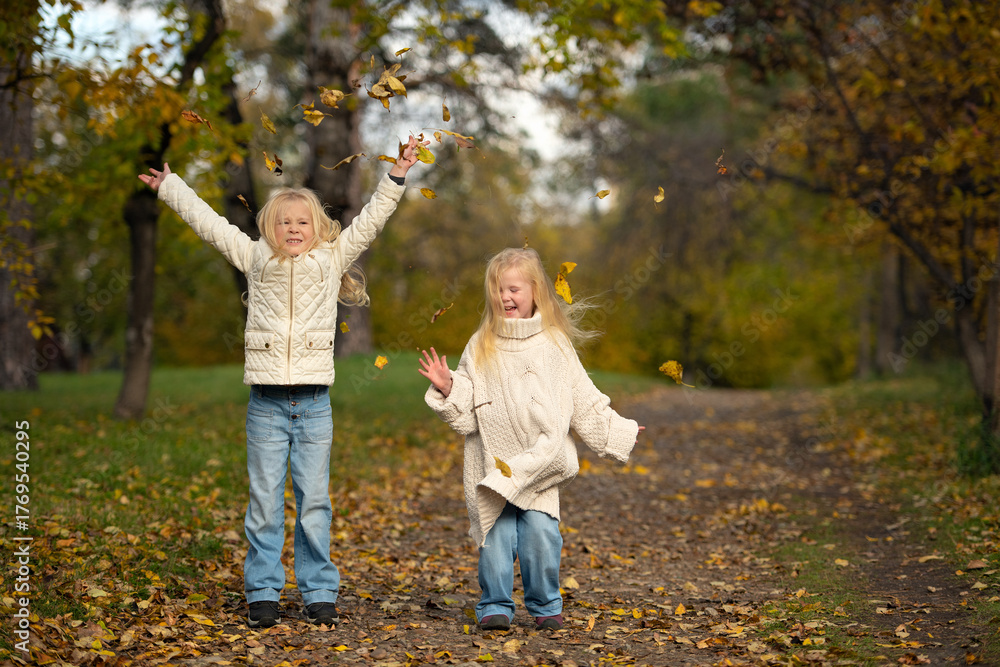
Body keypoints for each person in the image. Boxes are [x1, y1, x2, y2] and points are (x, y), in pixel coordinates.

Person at [139, 135, 427, 628]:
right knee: (265, 503)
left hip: (314, 403)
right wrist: (172, 187)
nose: (293, 228)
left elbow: (372, 219)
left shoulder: (332, 259)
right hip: (266, 405)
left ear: (317, 229)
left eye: (302, 222)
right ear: (270, 229)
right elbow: (211, 226)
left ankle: (318, 591)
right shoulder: (255, 258)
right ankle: (263, 592)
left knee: (315, 502)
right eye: (284, 222)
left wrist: (398, 172)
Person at [417, 247, 644, 632]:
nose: (506, 298)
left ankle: (544, 604)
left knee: (541, 537)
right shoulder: (481, 343)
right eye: (499, 290)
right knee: (496, 536)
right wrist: (449, 387)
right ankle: (495, 604)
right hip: (493, 467)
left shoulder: (555, 345)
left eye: (514, 289)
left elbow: (583, 399)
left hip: (539, 466)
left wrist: (617, 429)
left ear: (535, 290)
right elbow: (468, 412)